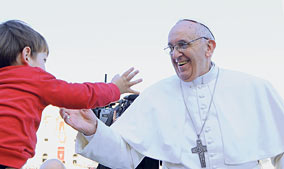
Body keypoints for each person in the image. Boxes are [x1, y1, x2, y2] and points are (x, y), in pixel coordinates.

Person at [60, 19, 284, 169]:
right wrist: (93, 130)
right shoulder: (156, 96)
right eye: (171, 47)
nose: (176, 54)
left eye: (183, 44)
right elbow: (126, 156)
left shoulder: (253, 88)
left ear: (209, 47)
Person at [0, 20, 142, 169]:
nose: (45, 67)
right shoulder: (34, 78)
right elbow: (81, 95)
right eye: (44, 60)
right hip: (1, 158)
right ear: (27, 55)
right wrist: (114, 88)